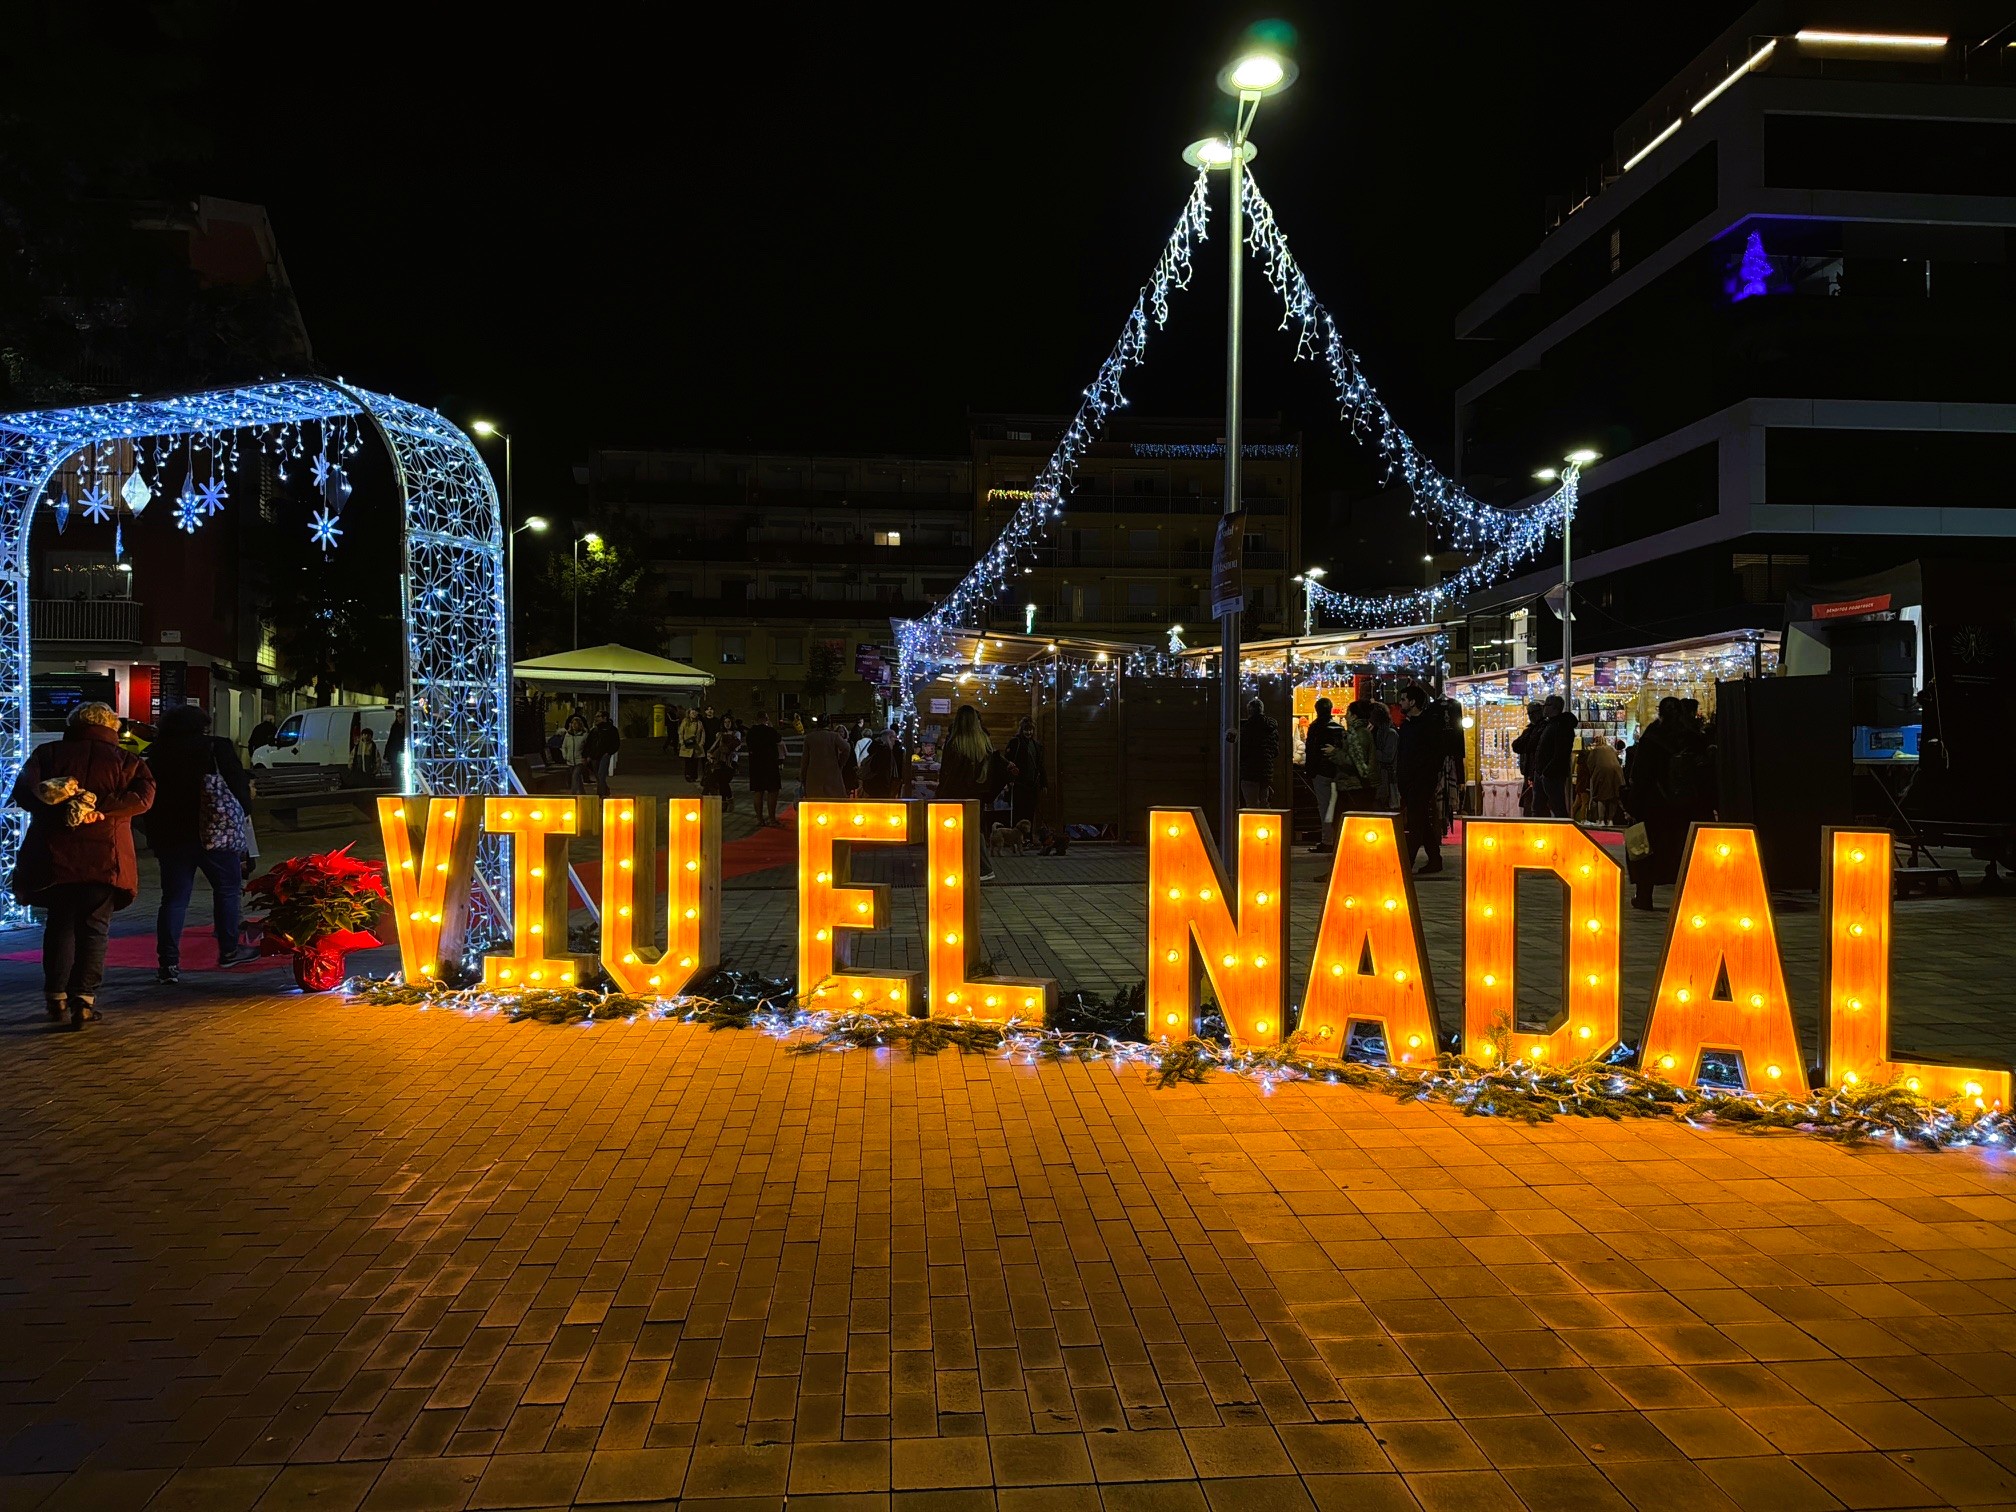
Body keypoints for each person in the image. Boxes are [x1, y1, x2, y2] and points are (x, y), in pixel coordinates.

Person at [8, 701, 155, 1026]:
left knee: (59, 926)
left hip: (55, 857)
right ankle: (84, 1001)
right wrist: (99, 806)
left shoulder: (48, 754)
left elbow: (23, 793)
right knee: (94, 930)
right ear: (112, 727)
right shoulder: (127, 761)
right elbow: (143, 798)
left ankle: (55, 998)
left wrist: (62, 805)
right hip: (106, 858)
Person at [144, 704, 254, 984]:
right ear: (202, 724)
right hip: (214, 832)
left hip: (171, 836)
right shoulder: (215, 747)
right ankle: (229, 950)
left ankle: (168, 964)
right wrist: (243, 810)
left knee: (174, 899)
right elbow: (238, 785)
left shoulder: (157, 752)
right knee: (227, 889)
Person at [1624, 697, 1693, 910]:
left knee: (1645, 850)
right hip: (1682, 803)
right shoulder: (1690, 737)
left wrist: (1633, 803)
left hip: (1653, 804)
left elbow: (1640, 774)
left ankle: (1644, 894)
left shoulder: (1652, 739)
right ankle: (1688, 897)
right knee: (1679, 850)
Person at [937, 705, 1005, 879]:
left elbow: (947, 772)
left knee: (953, 831)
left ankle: (964, 867)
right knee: (975, 831)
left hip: (954, 793)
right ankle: (983, 868)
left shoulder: (954, 743)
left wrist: (940, 793)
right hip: (977, 793)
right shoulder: (983, 741)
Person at [1395, 686, 1448, 875]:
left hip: (1421, 780)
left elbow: (1436, 754)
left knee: (1416, 821)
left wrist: (1425, 775)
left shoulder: (1427, 725)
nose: (1400, 703)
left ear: (1412, 702)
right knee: (1421, 819)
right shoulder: (1408, 725)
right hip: (1410, 780)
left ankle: (1406, 862)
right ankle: (1435, 859)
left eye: (1403, 699)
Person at [1302, 697, 1345, 853]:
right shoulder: (1339, 728)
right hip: (1337, 772)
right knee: (1337, 807)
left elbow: (1311, 751)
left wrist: (1310, 770)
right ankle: (1337, 838)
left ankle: (1327, 840)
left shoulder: (1315, 728)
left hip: (1320, 773)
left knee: (1325, 808)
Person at [1532, 694, 1578, 820]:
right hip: (1544, 772)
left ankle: (1563, 832)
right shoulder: (1550, 724)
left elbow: (1561, 752)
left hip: (1551, 774)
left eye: (1547, 705)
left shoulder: (1561, 725)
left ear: (1554, 708)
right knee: (1539, 807)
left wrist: (1547, 771)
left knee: (1557, 806)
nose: (1544, 708)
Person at [1004, 716, 1048, 829]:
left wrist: (1044, 783)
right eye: (1026, 730)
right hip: (1018, 783)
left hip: (1032, 784)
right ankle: (1017, 837)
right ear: (1021, 730)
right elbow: (1007, 761)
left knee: (1030, 811)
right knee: (1018, 811)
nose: (1028, 732)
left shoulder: (1037, 745)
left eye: (1030, 730)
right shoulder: (1015, 743)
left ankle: (1027, 837)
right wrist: (1008, 781)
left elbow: (1040, 765)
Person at [800, 719, 857, 801]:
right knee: (834, 799)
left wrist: (802, 776)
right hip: (832, 772)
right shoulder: (834, 736)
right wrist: (841, 763)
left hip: (814, 774)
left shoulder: (809, 737)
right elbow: (846, 748)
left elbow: (805, 759)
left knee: (816, 800)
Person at [1238, 698, 1279, 809]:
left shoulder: (1247, 727)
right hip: (1266, 772)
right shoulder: (1271, 727)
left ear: (1249, 711)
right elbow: (1275, 751)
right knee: (1264, 803)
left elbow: (1243, 750)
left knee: (1251, 805)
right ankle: (1266, 825)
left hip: (1249, 771)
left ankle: (1253, 826)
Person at [745, 710, 783, 826]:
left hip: (756, 764)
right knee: (773, 790)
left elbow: (749, 745)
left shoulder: (751, 732)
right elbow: (778, 739)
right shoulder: (770, 731)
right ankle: (772, 819)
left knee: (758, 791)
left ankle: (759, 819)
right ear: (766, 719)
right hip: (770, 763)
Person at [1337, 701, 1377, 812]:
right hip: (1355, 785)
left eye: (1348, 713)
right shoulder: (1359, 732)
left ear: (1354, 716)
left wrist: (1335, 753)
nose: (1345, 716)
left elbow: (1357, 762)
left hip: (1355, 785)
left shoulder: (1357, 734)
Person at [1510, 702, 1546, 816]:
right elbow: (1517, 746)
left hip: (1540, 772)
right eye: (1529, 713)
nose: (1531, 716)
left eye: (1533, 713)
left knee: (1538, 805)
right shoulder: (1531, 730)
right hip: (1530, 772)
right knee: (1530, 804)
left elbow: (1528, 745)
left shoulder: (1543, 728)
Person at [1584, 733, 1624, 824]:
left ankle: (1601, 820)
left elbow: (1590, 764)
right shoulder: (1611, 749)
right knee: (1614, 796)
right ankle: (1610, 820)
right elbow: (1618, 760)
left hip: (1602, 774)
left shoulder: (1595, 751)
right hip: (1617, 773)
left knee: (1601, 797)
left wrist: (1593, 775)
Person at [706, 716, 742, 809]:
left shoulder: (736, 734)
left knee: (724, 781)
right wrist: (711, 754)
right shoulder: (719, 734)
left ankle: (729, 800)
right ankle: (724, 802)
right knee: (719, 781)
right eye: (725, 722)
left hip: (731, 761)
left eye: (729, 722)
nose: (727, 724)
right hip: (720, 760)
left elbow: (736, 747)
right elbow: (715, 746)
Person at [583, 710, 621, 799]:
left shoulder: (611, 729)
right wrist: (587, 755)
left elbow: (616, 743)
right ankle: (605, 790)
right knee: (598, 776)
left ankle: (600, 794)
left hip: (604, 755)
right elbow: (589, 743)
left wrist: (608, 752)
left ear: (604, 718)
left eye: (598, 716)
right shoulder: (595, 730)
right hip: (594, 756)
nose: (596, 718)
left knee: (601, 775)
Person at [861, 725, 905, 800]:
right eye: (894, 737)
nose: (895, 740)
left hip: (872, 783)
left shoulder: (877, 748)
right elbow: (883, 769)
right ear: (889, 738)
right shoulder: (885, 751)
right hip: (881, 785)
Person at [1368, 700, 1398, 810]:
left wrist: (1372, 750)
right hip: (1376, 778)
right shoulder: (1374, 731)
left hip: (1385, 779)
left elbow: (1388, 757)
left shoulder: (1390, 733)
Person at [560, 714, 590, 795]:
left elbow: (587, 747)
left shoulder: (584, 735)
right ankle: (583, 794)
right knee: (577, 779)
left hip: (580, 760)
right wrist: (565, 756)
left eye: (576, 723)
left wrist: (586, 757)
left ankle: (573, 794)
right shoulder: (568, 735)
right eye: (573, 723)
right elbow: (564, 746)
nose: (574, 725)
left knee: (575, 776)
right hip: (570, 761)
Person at [677, 706, 704, 784]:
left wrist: (701, 742)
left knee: (695, 761)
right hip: (687, 743)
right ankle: (688, 775)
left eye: (695, 712)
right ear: (689, 714)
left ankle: (694, 776)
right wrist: (682, 742)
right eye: (692, 712)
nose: (694, 714)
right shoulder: (685, 721)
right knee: (688, 761)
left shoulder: (699, 722)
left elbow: (703, 733)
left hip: (696, 744)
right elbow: (681, 732)